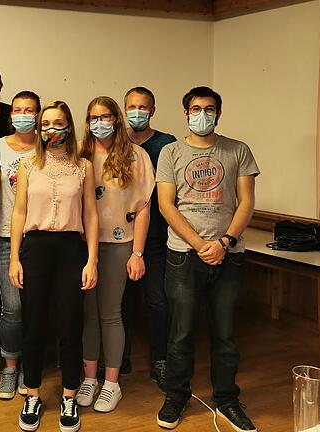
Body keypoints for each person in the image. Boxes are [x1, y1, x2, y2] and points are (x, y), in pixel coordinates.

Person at [155, 86, 258, 432]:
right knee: (181, 332)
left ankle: (227, 399)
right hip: (184, 255)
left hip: (230, 254)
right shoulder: (170, 152)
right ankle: (176, 395)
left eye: (209, 108)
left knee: (226, 334)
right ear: (185, 113)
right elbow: (166, 205)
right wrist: (200, 243)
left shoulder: (238, 150)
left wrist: (224, 242)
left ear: (218, 113)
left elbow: (246, 202)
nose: (202, 114)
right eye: (196, 108)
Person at [9, 100, 99, 432]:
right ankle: (32, 393)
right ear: (38, 127)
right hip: (35, 248)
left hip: (70, 250)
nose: (51, 130)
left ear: (69, 126)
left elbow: (90, 214)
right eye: (45, 124)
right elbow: (19, 213)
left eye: (58, 123)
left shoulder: (84, 167)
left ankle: (69, 396)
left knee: (71, 324)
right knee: (32, 323)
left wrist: (92, 259)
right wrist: (14, 257)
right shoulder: (27, 165)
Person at [75, 96, 154, 413]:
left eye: (106, 116)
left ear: (117, 119)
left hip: (120, 243)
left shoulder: (136, 156)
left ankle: (112, 383)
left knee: (109, 312)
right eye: (93, 117)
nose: (99, 123)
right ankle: (90, 379)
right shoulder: (80, 155)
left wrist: (138, 252)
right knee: (88, 315)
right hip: (82, 245)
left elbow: (144, 208)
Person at [122, 86, 177, 391]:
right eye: (131, 106)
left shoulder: (166, 145)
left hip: (156, 237)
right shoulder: (116, 141)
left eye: (143, 107)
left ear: (153, 110)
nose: (137, 112)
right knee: (120, 302)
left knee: (158, 301)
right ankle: (121, 356)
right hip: (119, 238)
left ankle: (160, 360)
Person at [0, 90, 40, 400]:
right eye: (18, 109)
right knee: (13, 307)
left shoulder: (49, 150)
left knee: (35, 307)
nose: (23, 114)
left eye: (29, 110)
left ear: (38, 115)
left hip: (40, 238)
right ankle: (10, 366)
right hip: (4, 236)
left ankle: (29, 367)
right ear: (11, 116)